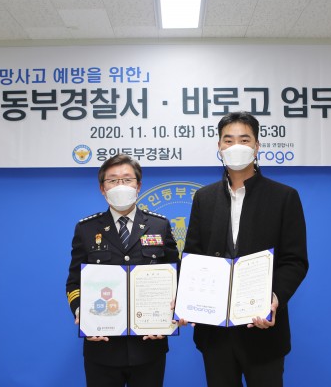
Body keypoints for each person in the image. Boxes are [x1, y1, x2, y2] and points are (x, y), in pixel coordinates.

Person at [183, 111, 308, 387]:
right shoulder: (204, 198)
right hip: (214, 333)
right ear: (219, 147)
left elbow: (295, 260)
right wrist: (187, 300)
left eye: (244, 139)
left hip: (262, 330)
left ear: (257, 146)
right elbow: (193, 256)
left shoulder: (284, 197)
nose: (236, 146)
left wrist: (275, 298)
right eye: (228, 140)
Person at [66, 154, 179, 387]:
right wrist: (81, 313)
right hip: (102, 346)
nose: (120, 186)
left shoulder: (159, 225)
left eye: (127, 179)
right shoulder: (87, 229)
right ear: (102, 188)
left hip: (149, 343)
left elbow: (176, 278)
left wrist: (171, 316)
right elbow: (74, 282)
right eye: (113, 180)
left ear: (138, 186)